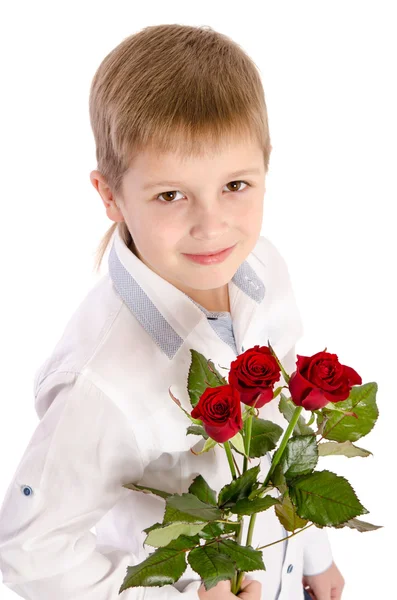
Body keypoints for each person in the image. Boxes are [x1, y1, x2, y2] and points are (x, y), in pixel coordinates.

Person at [0, 24, 345, 600]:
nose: (212, 225)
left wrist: (312, 552)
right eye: (170, 195)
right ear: (110, 195)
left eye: (235, 184)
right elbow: (28, 551)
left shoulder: (265, 270)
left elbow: (278, 431)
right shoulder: (102, 380)